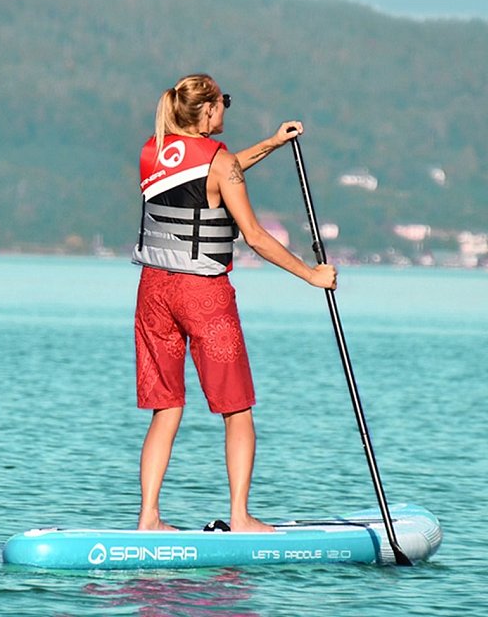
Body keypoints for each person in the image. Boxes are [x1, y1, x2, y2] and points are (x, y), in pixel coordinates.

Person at [132, 73, 337, 533]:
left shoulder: (153, 150)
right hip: (202, 295)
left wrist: (271, 144)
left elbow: (208, 176)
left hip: (152, 292)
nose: (226, 108)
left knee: (167, 407)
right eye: (224, 101)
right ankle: (241, 516)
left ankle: (149, 518)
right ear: (207, 111)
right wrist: (312, 275)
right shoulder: (220, 163)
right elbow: (257, 237)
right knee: (236, 407)